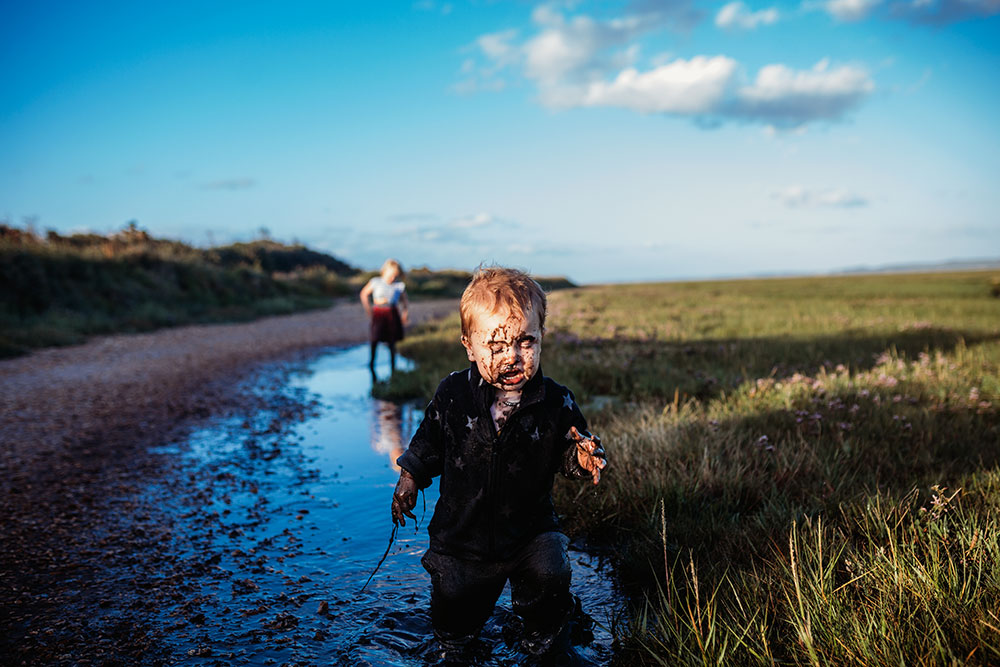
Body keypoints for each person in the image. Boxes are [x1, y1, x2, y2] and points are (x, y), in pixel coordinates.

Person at [390, 266, 607, 663]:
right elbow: (429, 441)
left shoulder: (556, 401)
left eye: (526, 341)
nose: (512, 356)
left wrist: (583, 457)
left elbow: (570, 450)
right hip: (461, 535)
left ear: (541, 337)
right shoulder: (453, 394)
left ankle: (546, 645)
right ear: (469, 346)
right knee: (454, 611)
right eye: (496, 345)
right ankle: (455, 648)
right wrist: (410, 477)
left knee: (550, 573)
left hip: (531, 530)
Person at [360, 259, 410, 374]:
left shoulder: (398, 286)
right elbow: (364, 294)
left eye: (395, 276)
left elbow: (405, 301)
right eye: (391, 275)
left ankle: (393, 366)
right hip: (378, 313)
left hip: (392, 313)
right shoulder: (376, 282)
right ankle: (371, 364)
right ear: (385, 271)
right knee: (375, 338)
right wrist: (368, 309)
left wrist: (405, 314)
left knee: (392, 341)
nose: (392, 278)